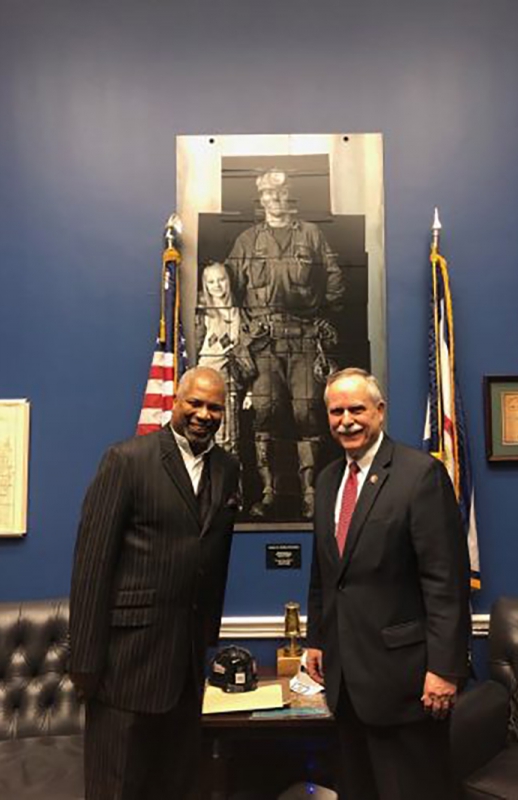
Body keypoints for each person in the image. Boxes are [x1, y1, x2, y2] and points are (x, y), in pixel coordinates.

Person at [69, 366, 240, 800]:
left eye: (214, 407)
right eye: (194, 403)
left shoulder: (227, 469)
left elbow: (214, 554)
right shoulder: (127, 460)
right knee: (118, 787)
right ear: (175, 402)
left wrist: (207, 639)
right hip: (123, 664)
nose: (203, 414)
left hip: (186, 664)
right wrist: (85, 663)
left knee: (176, 785)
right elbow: (92, 565)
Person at [306, 367, 471, 800]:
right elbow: (325, 574)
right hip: (346, 683)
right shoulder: (326, 482)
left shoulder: (420, 476)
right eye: (336, 411)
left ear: (380, 412)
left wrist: (445, 669)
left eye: (357, 409)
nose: (347, 420)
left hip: (407, 684)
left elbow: (445, 581)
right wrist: (316, 640)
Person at [227, 168, 345, 520]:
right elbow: (226, 288)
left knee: (307, 414)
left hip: (305, 339)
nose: (275, 199)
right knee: (265, 413)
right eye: (268, 193)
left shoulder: (311, 235)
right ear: (260, 198)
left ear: (290, 197)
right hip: (264, 343)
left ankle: (310, 495)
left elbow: (336, 282)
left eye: (281, 193)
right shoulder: (246, 241)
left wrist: (324, 317)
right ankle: (268, 494)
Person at [195, 261, 255, 457]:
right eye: (211, 281)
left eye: (221, 279)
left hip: (229, 380)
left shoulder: (240, 312)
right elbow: (195, 348)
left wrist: (251, 390)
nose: (217, 285)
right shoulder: (201, 309)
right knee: (201, 437)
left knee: (228, 439)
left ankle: (229, 485)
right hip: (204, 379)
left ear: (228, 280)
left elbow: (248, 352)